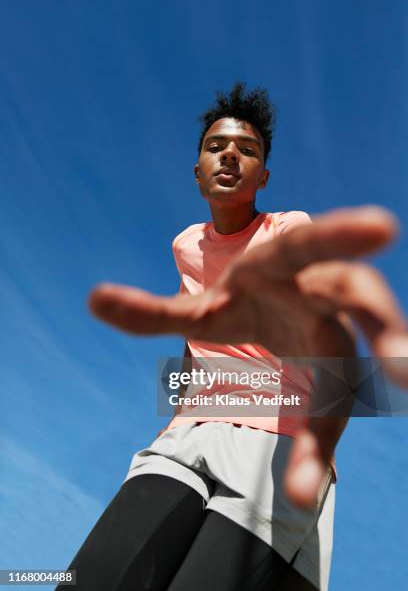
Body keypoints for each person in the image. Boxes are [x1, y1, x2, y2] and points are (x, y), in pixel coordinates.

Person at [62, 83, 407, 591]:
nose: (230, 155)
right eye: (216, 146)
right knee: (93, 578)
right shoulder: (187, 245)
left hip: (274, 438)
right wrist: (175, 416)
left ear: (262, 176)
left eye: (247, 150)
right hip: (187, 436)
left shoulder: (287, 229)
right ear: (198, 169)